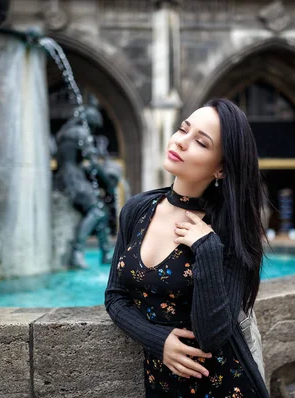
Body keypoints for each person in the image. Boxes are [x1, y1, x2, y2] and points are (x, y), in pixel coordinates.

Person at [105, 99, 269, 397]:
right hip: (162, 386)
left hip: (225, 387)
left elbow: (212, 335)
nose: (180, 142)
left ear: (220, 168)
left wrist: (207, 248)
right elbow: (115, 298)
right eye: (183, 129)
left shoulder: (230, 228)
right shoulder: (136, 210)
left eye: (200, 143)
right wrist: (159, 340)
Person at [54, 105, 116, 268]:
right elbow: (94, 163)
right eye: (94, 126)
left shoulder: (64, 132)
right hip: (73, 179)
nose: (93, 131)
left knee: (99, 209)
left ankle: (105, 252)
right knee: (96, 211)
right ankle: (77, 251)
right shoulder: (80, 133)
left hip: (61, 176)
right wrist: (107, 183)